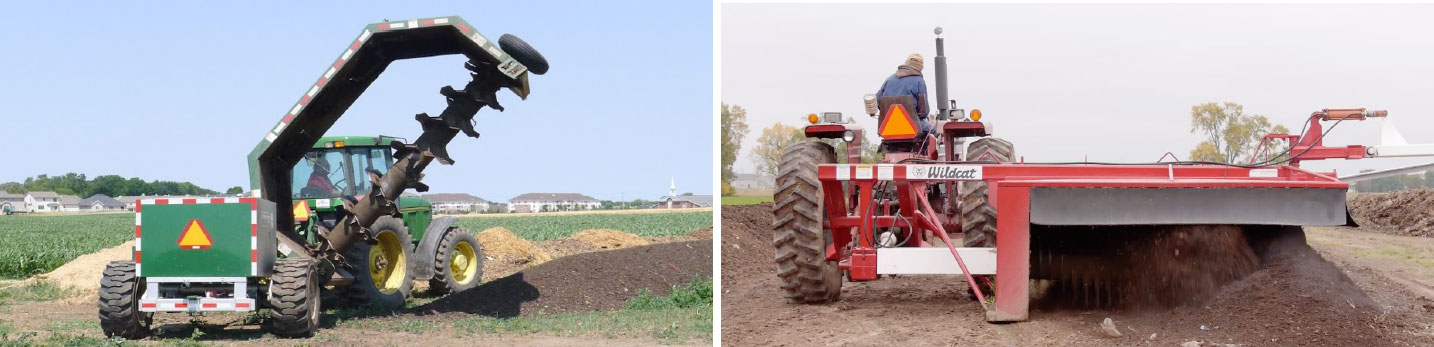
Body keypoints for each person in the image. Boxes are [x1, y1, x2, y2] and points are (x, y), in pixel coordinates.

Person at [876, 53, 934, 137]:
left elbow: (878, 100)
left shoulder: (889, 79)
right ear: (920, 68)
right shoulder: (919, 81)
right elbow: (924, 110)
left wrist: (889, 115)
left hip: (889, 126)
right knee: (932, 129)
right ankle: (924, 150)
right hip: (912, 124)